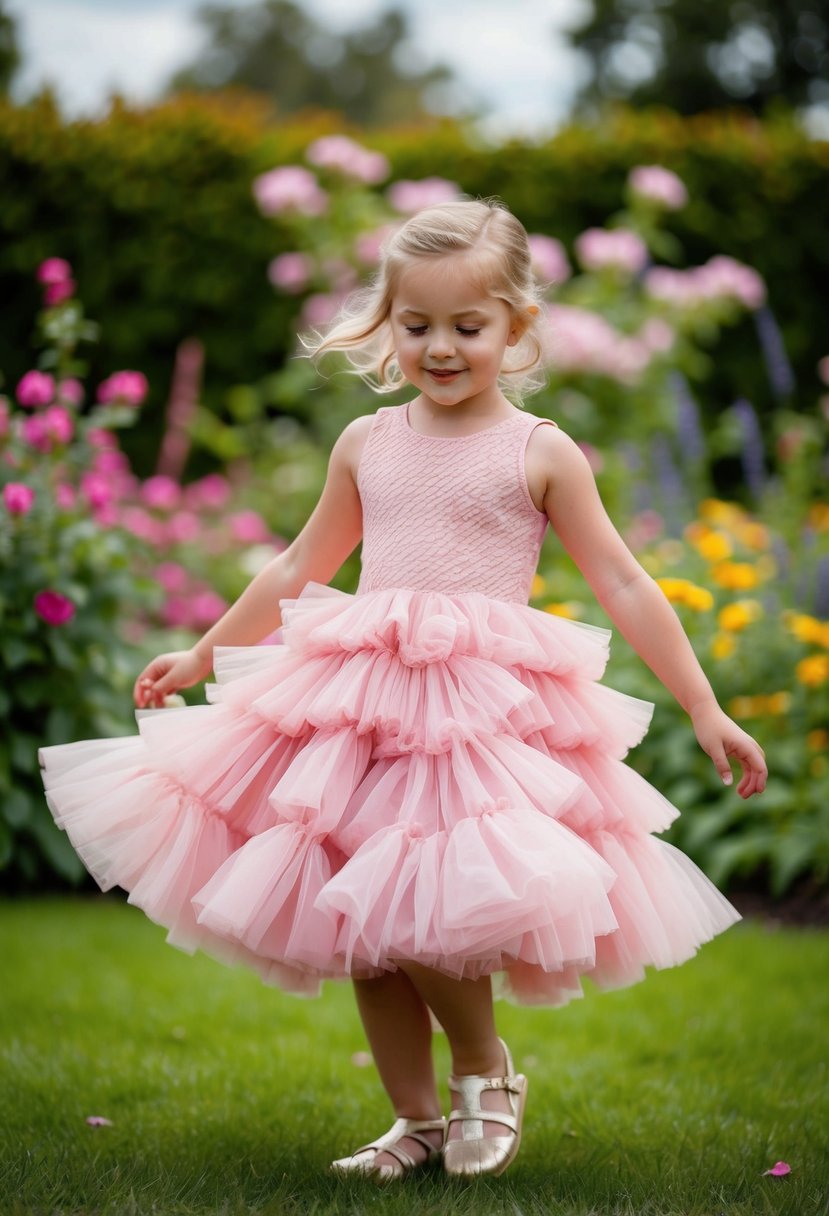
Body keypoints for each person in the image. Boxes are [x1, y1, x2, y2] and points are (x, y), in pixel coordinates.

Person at [39, 199, 767, 1182]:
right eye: (415, 324)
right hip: (357, 704)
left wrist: (702, 703)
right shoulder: (366, 443)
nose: (438, 346)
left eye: (466, 326)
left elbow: (626, 581)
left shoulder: (540, 451)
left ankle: (483, 1067)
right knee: (368, 928)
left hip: (470, 717)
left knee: (423, 898)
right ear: (388, 323)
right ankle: (415, 1120)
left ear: (516, 327)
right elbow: (301, 564)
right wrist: (205, 652)